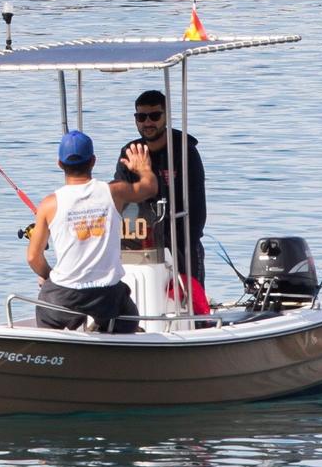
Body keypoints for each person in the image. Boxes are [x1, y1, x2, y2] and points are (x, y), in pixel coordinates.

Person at [25, 131, 158, 333]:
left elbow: (34, 257)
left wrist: (49, 276)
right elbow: (150, 188)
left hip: (63, 294)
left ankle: (52, 347)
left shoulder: (49, 204)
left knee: (47, 309)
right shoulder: (115, 192)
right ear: (93, 161)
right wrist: (144, 168)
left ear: (59, 164)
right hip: (107, 295)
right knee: (129, 318)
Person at [114, 90, 208, 291]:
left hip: (182, 242)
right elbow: (121, 200)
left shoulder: (185, 150)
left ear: (166, 116)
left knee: (190, 299)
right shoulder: (130, 151)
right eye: (141, 117)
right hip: (142, 242)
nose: (148, 123)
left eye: (155, 116)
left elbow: (197, 206)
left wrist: (182, 244)